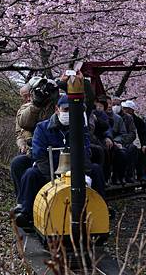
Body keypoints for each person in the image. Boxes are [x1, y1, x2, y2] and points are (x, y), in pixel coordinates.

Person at [15, 94, 105, 230]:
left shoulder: (81, 128)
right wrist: (53, 178)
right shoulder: (42, 128)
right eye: (66, 110)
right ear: (57, 109)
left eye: (73, 111)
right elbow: (39, 155)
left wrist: (81, 175)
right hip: (49, 170)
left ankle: (102, 207)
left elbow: (85, 152)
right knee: (30, 174)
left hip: (74, 169)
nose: (69, 113)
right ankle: (26, 212)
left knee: (96, 169)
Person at [10, 77, 57, 210]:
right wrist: (36, 105)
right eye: (24, 96)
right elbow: (21, 128)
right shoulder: (27, 107)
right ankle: (22, 200)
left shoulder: (57, 106)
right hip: (33, 150)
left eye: (27, 95)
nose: (26, 99)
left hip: (54, 150)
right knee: (18, 163)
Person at [121, 100, 146, 183]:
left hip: (138, 143)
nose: (124, 110)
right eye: (124, 108)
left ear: (131, 110)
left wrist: (145, 144)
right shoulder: (121, 118)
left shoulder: (139, 121)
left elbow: (144, 134)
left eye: (126, 109)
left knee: (144, 151)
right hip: (125, 143)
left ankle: (143, 174)